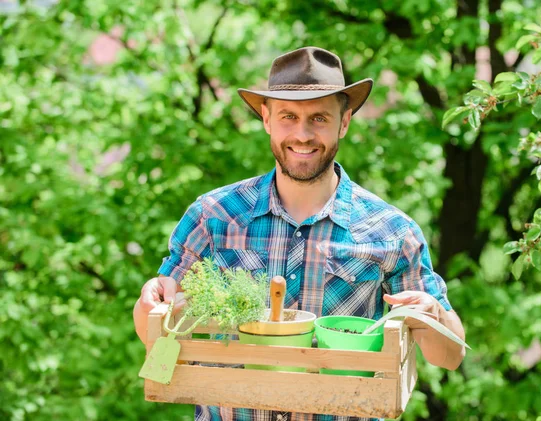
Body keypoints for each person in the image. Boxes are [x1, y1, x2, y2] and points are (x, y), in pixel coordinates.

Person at [133, 46, 466, 421]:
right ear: (266, 119)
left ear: (344, 122)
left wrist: (432, 314)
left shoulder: (392, 232)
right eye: (289, 117)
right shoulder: (214, 216)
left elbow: (450, 356)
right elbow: (154, 328)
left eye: (320, 118)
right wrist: (151, 304)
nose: (303, 135)